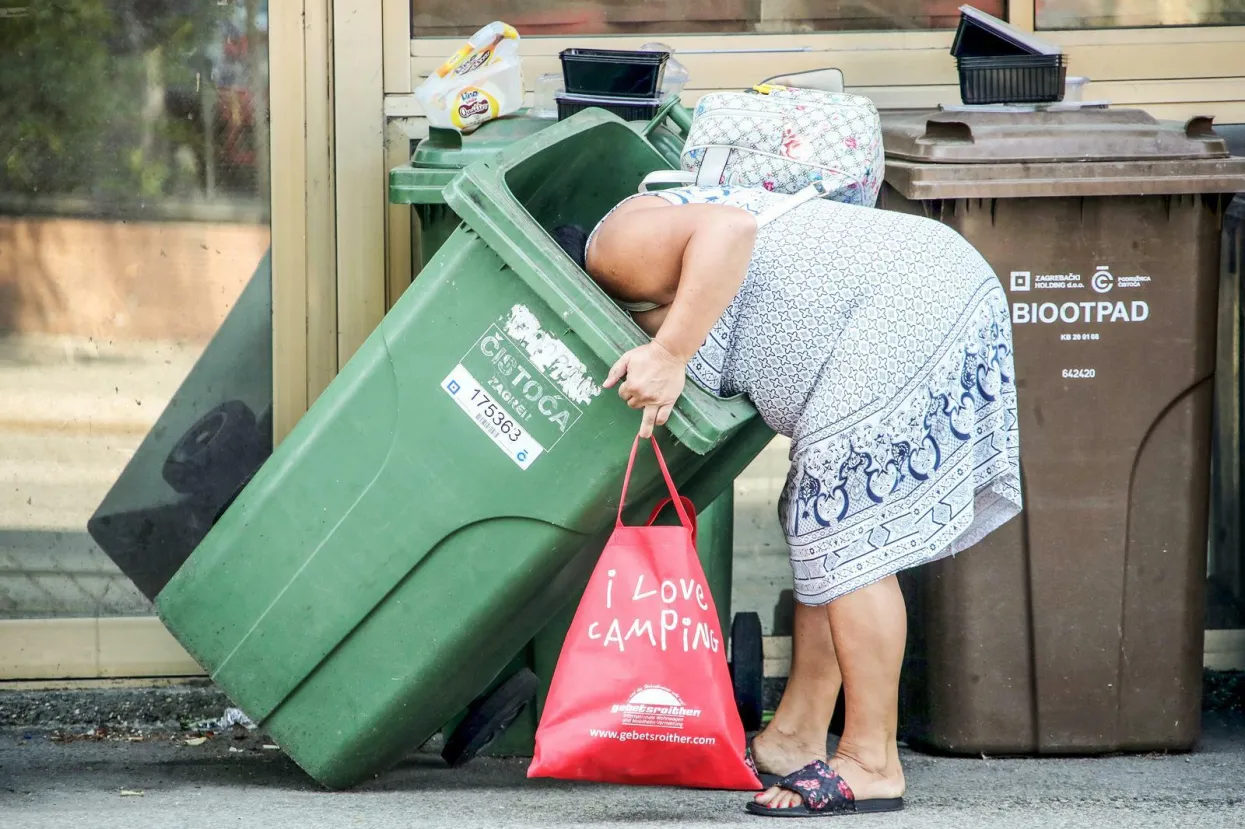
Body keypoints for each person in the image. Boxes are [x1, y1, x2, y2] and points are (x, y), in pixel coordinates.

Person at [553, 183, 1022, 818]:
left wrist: (667, 352)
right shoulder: (643, 239)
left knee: (852, 532)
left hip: (907, 307)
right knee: (821, 521)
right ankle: (794, 736)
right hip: (918, 290)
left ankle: (871, 762)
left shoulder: (613, 253)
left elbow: (731, 230)